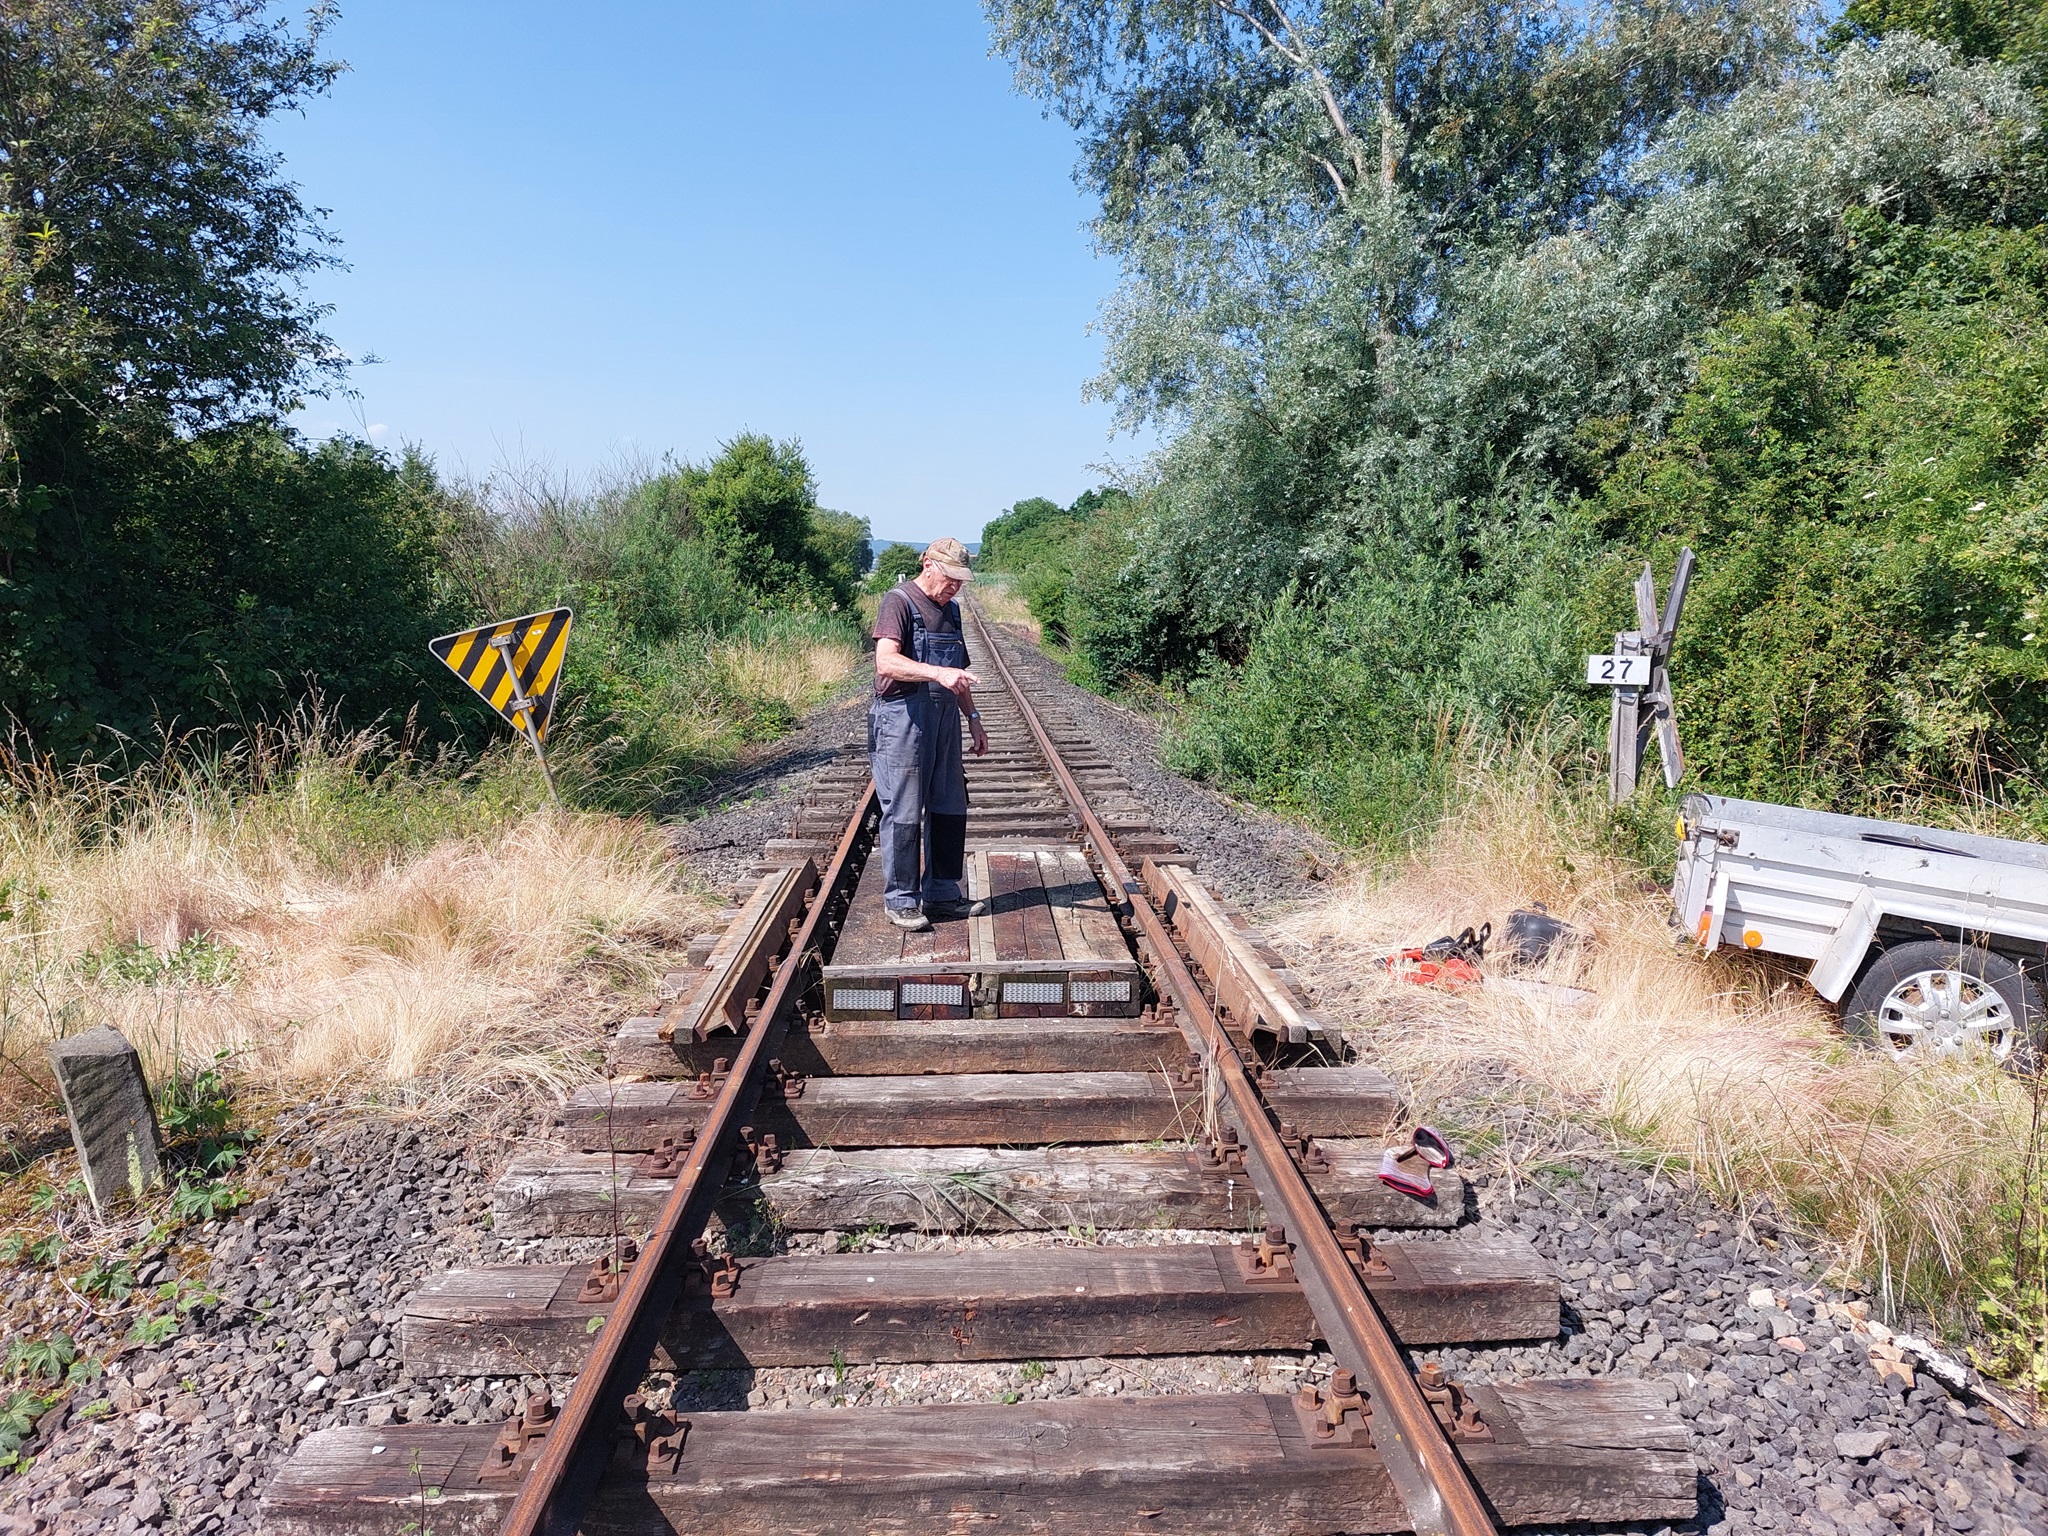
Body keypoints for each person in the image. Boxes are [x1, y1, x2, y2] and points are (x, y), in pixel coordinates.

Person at [869, 536, 990, 931]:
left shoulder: (952, 611)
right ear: (928, 565)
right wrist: (937, 673)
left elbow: (958, 673)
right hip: (903, 718)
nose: (955, 586)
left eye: (960, 580)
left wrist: (973, 717)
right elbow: (886, 662)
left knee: (949, 805)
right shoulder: (899, 602)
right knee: (904, 810)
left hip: (944, 719)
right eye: (949, 577)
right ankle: (902, 900)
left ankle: (942, 893)